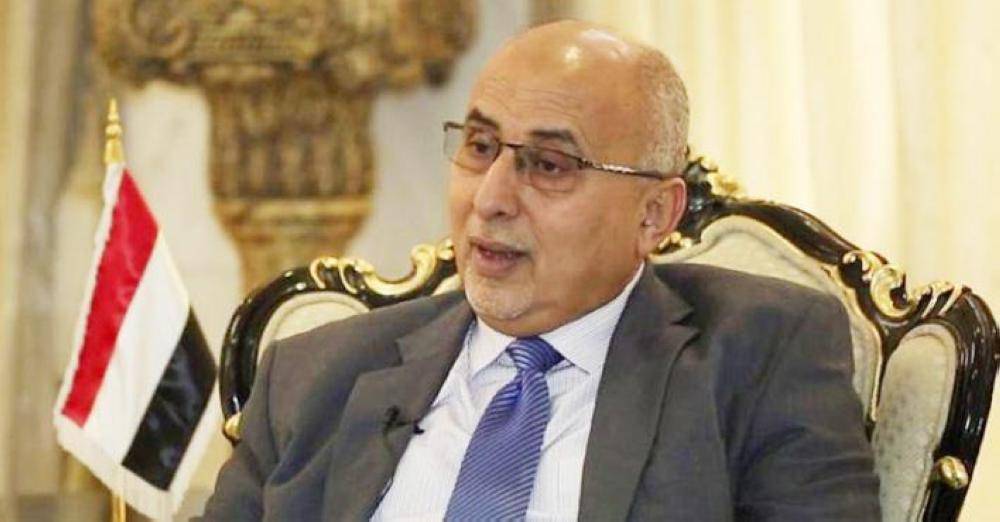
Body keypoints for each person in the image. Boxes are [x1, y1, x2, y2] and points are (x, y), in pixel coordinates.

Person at [200, 20, 880, 521]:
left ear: (653, 215)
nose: (490, 199)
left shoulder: (760, 353)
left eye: (549, 165)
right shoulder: (313, 376)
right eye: (479, 146)